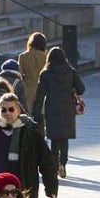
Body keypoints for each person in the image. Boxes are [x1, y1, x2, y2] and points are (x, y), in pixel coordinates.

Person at [32, 46, 85, 179]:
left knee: (54, 139)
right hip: (67, 109)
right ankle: (63, 163)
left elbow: (40, 95)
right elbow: (81, 88)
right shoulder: (70, 71)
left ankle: (55, 166)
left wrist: (35, 114)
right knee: (64, 138)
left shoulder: (45, 74)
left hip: (52, 109)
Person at [18, 32, 49, 112]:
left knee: (28, 114)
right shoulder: (46, 56)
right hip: (43, 89)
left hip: (27, 89)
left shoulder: (23, 56)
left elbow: (20, 75)